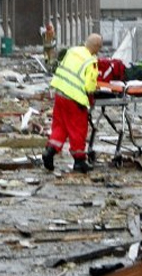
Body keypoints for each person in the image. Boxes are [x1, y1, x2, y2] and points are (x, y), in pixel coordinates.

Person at [42, 34, 103, 173]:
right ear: (95, 47)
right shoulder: (91, 62)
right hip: (75, 99)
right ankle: (79, 160)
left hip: (60, 93)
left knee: (60, 126)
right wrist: (91, 96)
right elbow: (89, 87)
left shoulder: (72, 51)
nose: (98, 51)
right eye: (98, 48)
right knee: (78, 130)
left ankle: (50, 151)